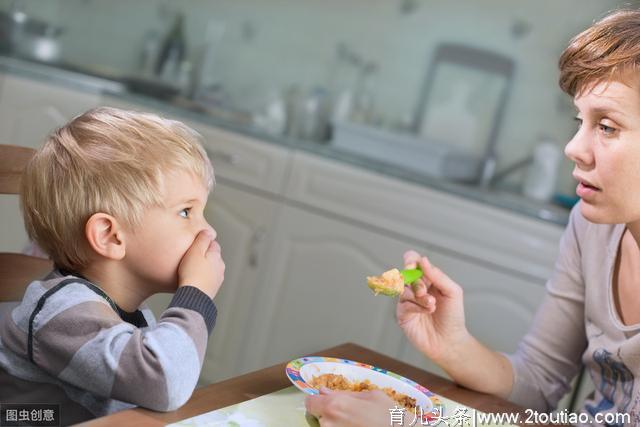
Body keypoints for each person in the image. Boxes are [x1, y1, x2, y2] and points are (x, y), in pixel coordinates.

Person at [306, 8, 640, 426]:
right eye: (580, 121)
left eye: (606, 126)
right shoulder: (590, 227)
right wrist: (454, 346)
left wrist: (408, 422)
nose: (573, 147)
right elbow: (538, 382)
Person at [0, 107, 225, 424]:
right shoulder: (63, 313)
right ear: (109, 236)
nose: (208, 232)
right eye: (186, 212)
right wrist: (196, 294)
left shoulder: (123, 310)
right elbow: (166, 384)